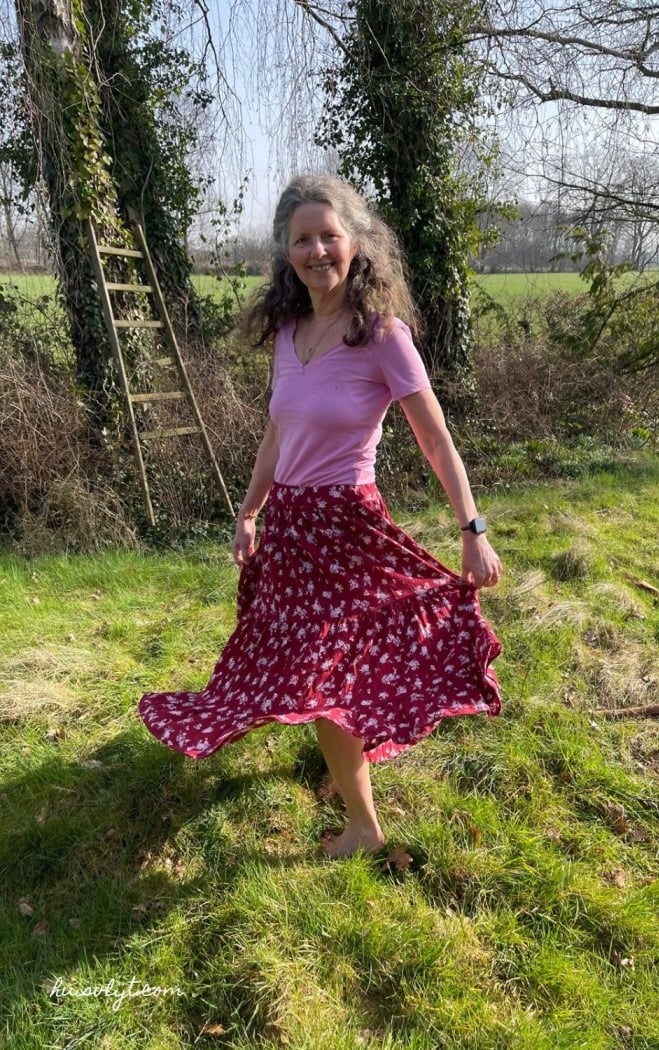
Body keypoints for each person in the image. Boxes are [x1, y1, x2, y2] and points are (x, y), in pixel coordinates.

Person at [138, 175, 503, 858]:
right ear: (287, 251)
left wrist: (472, 529)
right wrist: (250, 512)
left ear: (355, 242)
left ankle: (364, 829)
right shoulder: (288, 333)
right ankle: (346, 766)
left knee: (322, 669)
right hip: (289, 529)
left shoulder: (383, 336)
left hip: (346, 528)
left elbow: (435, 439)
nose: (317, 251)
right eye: (302, 239)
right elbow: (278, 434)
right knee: (307, 666)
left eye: (329, 236)